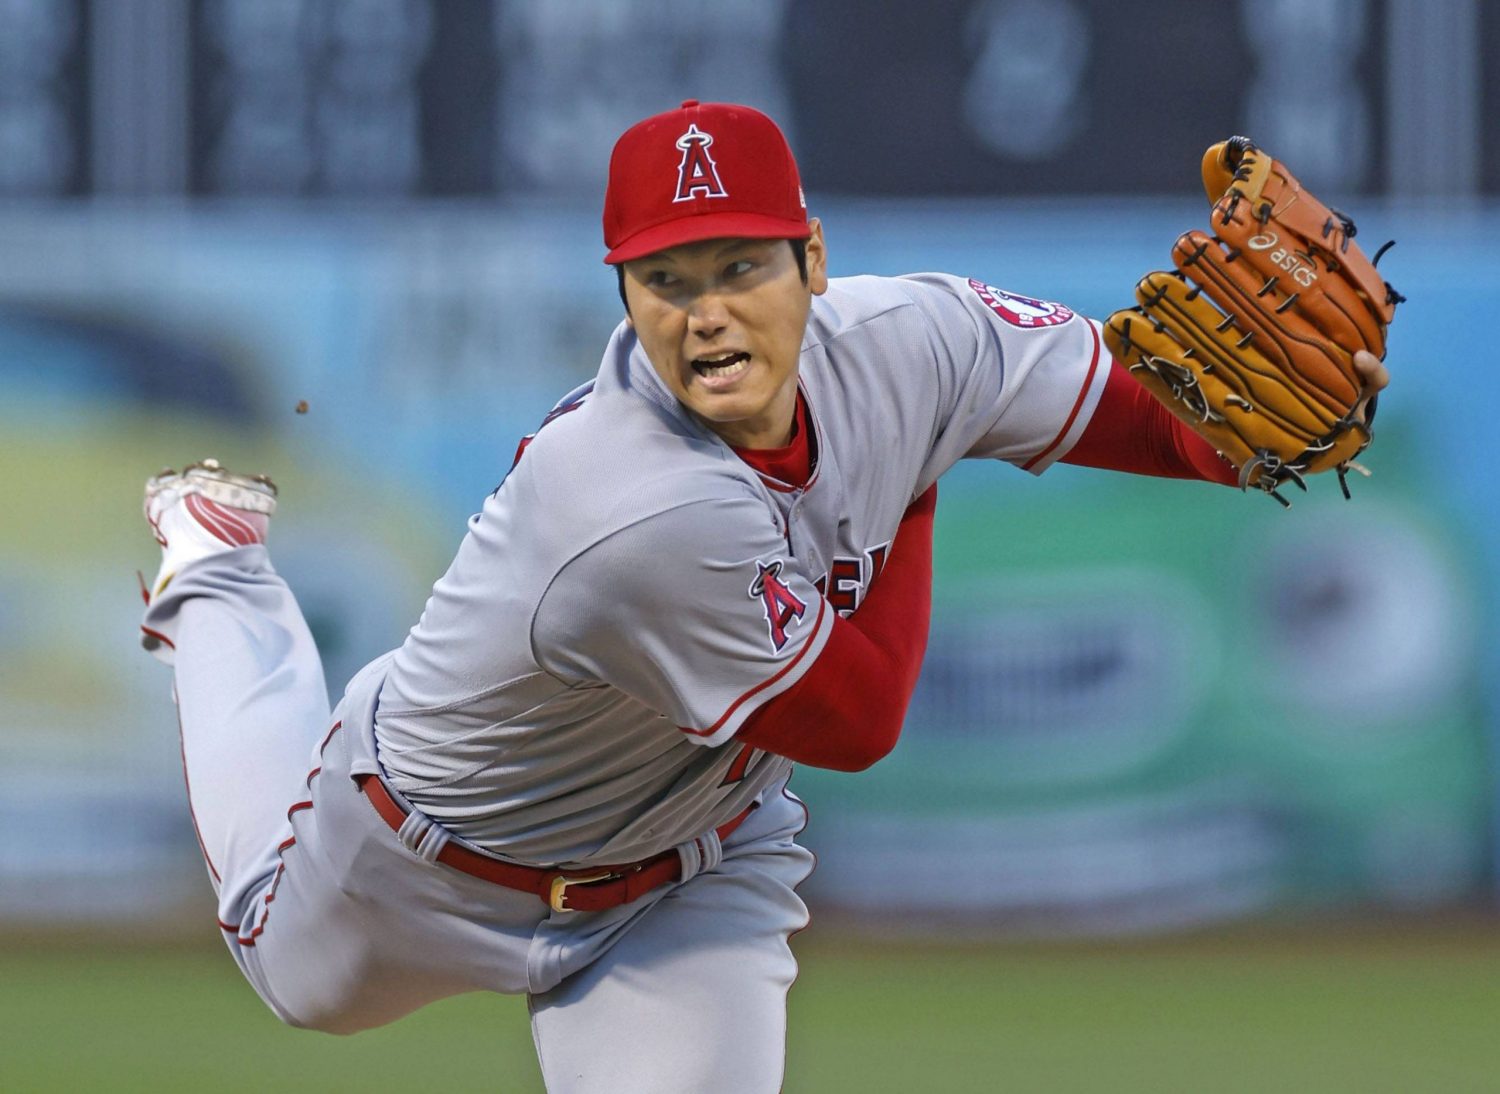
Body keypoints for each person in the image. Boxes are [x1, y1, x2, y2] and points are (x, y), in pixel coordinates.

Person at [138, 100, 1387, 1093]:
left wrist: (1256, 436)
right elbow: (858, 720)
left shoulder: (921, 339)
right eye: (666, 279)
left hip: (684, 872)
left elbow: (1172, 420)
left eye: (741, 264)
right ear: (623, 297)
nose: (709, 312)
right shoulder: (628, 503)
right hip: (423, 858)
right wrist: (916, 473)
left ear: (815, 260)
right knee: (280, 952)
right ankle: (217, 568)